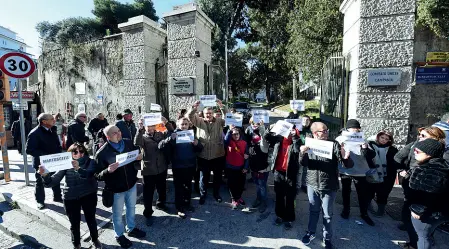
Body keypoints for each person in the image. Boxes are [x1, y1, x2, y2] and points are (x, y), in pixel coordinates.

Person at [38, 143, 102, 249]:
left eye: (82, 151)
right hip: (71, 197)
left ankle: (95, 239)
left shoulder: (91, 162)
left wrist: (78, 169)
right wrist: (45, 175)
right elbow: (54, 180)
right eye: (75, 152)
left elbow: (90, 175)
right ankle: (76, 244)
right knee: (74, 223)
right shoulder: (65, 164)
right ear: (70, 154)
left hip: (88, 194)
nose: (79, 154)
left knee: (91, 219)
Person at [300, 122, 352, 249]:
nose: (326, 132)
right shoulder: (309, 144)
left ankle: (327, 238)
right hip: (312, 184)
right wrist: (302, 153)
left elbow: (347, 164)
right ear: (314, 133)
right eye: (323, 131)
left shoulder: (334, 144)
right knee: (313, 211)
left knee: (327, 214)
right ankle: (311, 232)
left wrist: (345, 158)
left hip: (329, 185)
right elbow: (303, 164)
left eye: (326, 130)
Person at [94, 125, 145, 248]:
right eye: (115, 133)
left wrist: (139, 157)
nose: (119, 134)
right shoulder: (102, 153)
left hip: (131, 184)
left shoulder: (127, 143)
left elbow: (135, 157)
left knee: (131, 208)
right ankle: (119, 235)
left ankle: (131, 228)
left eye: (119, 131)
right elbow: (96, 175)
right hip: (116, 189)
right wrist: (107, 171)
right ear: (108, 137)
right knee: (117, 214)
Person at [399, 139, 449, 249]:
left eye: (417, 151)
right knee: (425, 235)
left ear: (429, 154)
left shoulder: (429, 169)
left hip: (426, 212)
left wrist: (418, 209)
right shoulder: (441, 165)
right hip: (437, 211)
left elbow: (429, 194)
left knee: (422, 236)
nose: (414, 152)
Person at [395, 126, 446, 231]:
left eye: (423, 135)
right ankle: (408, 225)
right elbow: (399, 156)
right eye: (419, 135)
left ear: (434, 137)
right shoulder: (414, 144)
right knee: (408, 203)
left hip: (428, 186)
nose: (419, 137)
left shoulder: (442, 151)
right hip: (410, 181)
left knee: (422, 222)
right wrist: (402, 170)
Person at [159, 117, 203, 218]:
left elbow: (200, 148)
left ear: (189, 125)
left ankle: (187, 204)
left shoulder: (191, 134)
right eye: (182, 124)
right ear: (178, 125)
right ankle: (179, 208)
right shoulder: (174, 134)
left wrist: (197, 144)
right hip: (178, 166)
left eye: (186, 124)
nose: (184, 126)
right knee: (179, 188)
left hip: (190, 165)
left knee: (188, 186)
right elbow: (162, 146)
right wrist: (171, 139)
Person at [337, 119, 376, 226]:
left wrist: (365, 148)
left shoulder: (363, 138)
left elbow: (372, 155)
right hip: (345, 170)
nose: (355, 130)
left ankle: (364, 213)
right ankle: (346, 210)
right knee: (346, 191)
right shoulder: (340, 139)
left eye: (357, 128)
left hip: (361, 170)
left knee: (362, 193)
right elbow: (336, 153)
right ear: (347, 129)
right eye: (353, 128)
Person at [187, 99, 227, 205]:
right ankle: (203, 195)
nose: (208, 115)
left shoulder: (219, 121)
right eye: (206, 113)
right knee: (203, 177)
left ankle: (216, 194)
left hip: (217, 154)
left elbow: (228, 118)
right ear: (203, 114)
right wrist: (194, 107)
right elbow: (189, 117)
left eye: (210, 113)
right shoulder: (199, 121)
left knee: (217, 176)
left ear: (213, 114)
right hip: (203, 154)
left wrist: (221, 106)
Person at [265, 124, 302, 230]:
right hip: (278, 172)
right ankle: (280, 216)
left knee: (290, 197)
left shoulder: (296, 140)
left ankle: (289, 218)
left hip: (290, 173)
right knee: (279, 196)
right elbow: (267, 137)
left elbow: (297, 150)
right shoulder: (278, 138)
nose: (289, 132)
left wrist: (295, 137)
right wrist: (269, 128)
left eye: (291, 130)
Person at [134, 118, 170, 226]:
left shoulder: (160, 134)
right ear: (145, 127)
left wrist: (165, 122)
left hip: (161, 167)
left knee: (162, 187)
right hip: (149, 169)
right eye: (148, 126)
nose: (150, 128)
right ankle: (148, 212)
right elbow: (136, 142)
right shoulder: (143, 137)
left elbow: (169, 133)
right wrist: (139, 129)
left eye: (152, 126)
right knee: (148, 192)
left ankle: (161, 203)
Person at [26, 113, 63, 209]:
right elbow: (29, 150)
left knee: (56, 179)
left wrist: (59, 152)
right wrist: (45, 155)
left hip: (54, 160)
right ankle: (40, 201)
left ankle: (57, 197)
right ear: (44, 121)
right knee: (40, 182)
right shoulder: (34, 133)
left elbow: (56, 144)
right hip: (41, 163)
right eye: (51, 119)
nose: (54, 120)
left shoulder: (52, 130)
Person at [367, 131, 399, 217]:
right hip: (373, 173)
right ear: (378, 137)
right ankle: (368, 207)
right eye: (382, 137)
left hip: (387, 176)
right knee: (370, 191)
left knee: (383, 194)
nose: (384, 140)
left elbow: (396, 162)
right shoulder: (371, 146)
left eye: (386, 139)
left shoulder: (392, 150)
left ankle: (380, 211)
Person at [247, 120, 270, 213]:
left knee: (262, 185)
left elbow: (265, 139)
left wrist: (262, 127)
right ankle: (258, 198)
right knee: (257, 184)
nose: (255, 125)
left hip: (263, 165)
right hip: (253, 164)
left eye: (257, 123)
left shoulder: (264, 132)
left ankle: (263, 202)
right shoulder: (249, 132)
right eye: (253, 123)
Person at [224, 125, 249, 209]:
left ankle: (239, 197)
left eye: (237, 134)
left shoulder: (245, 143)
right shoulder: (228, 142)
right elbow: (226, 140)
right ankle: (234, 199)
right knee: (232, 184)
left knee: (241, 184)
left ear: (240, 134)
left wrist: (245, 167)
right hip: (230, 167)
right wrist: (229, 131)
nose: (236, 135)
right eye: (234, 134)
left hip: (241, 167)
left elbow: (247, 156)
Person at [300, 115, 312, 192]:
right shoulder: (298, 129)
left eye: (307, 120)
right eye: (304, 120)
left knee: (305, 169)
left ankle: (304, 184)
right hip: (298, 152)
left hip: (308, 152)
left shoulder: (311, 130)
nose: (305, 122)